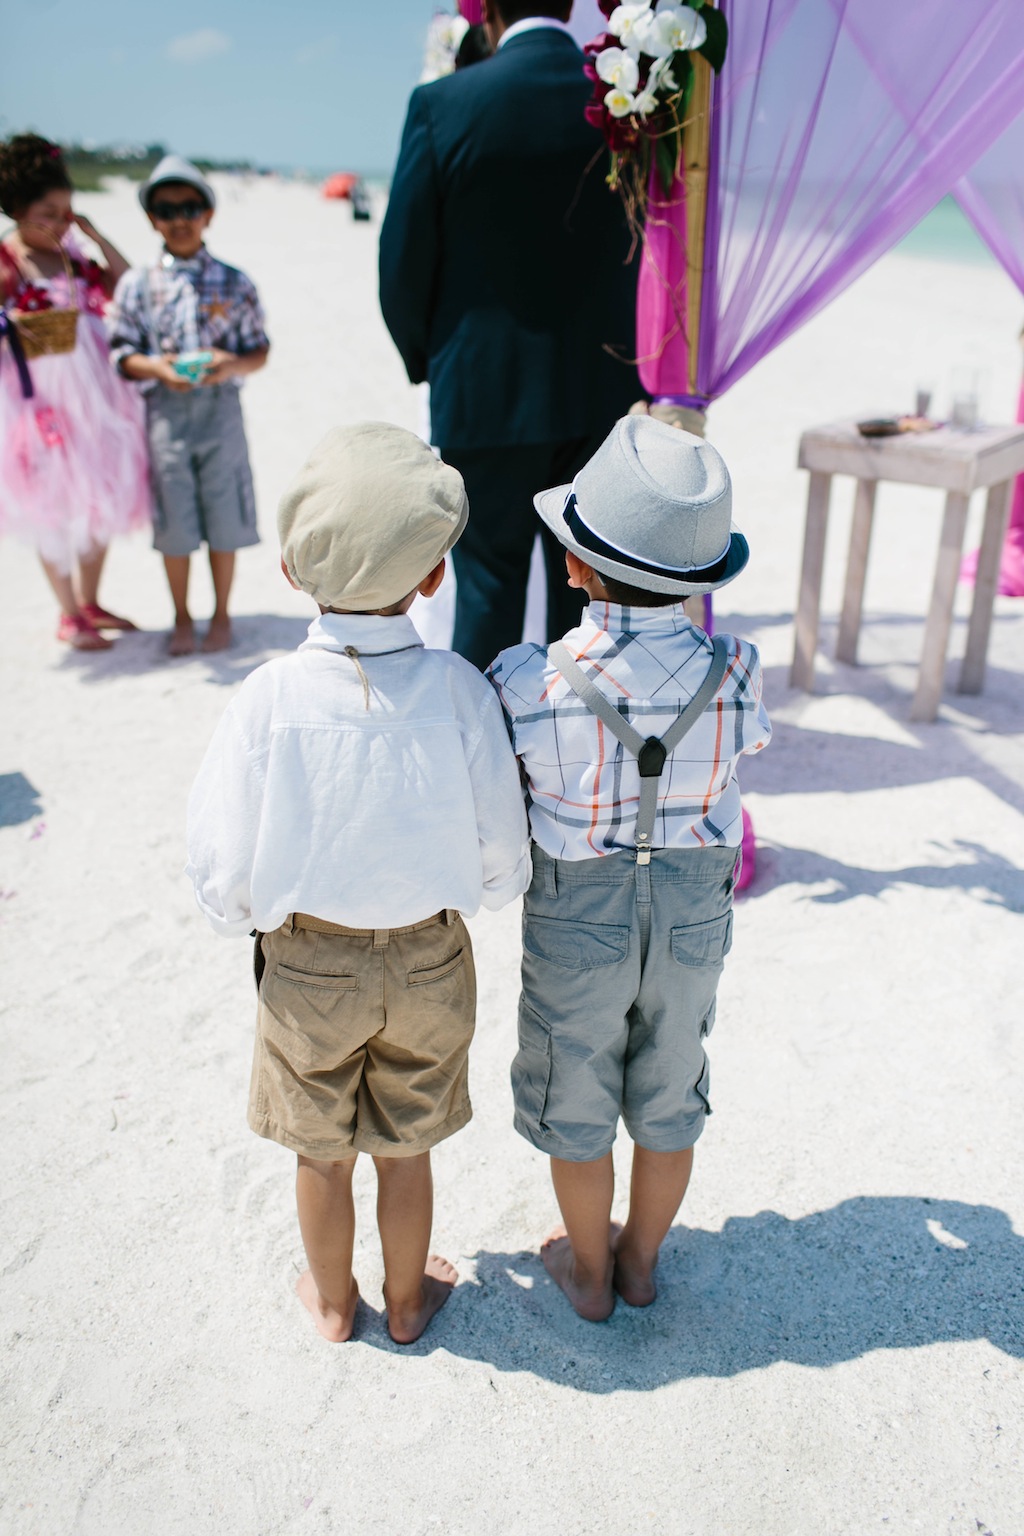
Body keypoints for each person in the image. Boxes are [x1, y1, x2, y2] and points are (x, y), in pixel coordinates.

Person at [186, 422, 530, 1344]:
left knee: (321, 1152)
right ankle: (411, 1302)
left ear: (294, 576)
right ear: (433, 578)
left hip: (307, 965)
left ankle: (336, 1305)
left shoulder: (266, 698)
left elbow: (221, 868)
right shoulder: (460, 690)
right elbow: (503, 851)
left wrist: (252, 913)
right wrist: (486, 888)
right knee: (406, 1150)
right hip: (427, 957)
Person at [487, 414, 771, 1321]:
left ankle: (590, 1271)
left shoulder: (530, 677)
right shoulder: (736, 669)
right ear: (700, 574)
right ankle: (642, 1261)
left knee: (576, 1090)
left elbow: (510, 792)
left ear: (574, 564)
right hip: (691, 915)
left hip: (580, 915)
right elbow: (745, 750)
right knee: (669, 1086)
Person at [380, 0, 639, 670]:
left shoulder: (443, 103)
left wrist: (430, 364)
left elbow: (403, 264)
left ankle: (487, 758)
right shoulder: (624, 100)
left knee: (488, 593)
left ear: (488, 9)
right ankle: (571, 752)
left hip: (481, 392)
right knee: (582, 593)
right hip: (597, 391)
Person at [107, 155, 269, 656]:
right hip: (166, 417)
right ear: (153, 217)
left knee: (224, 515)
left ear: (208, 214)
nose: (180, 218)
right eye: (167, 208)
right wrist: (161, 369)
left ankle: (220, 614)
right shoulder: (137, 283)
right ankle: (181, 616)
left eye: (191, 207)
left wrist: (227, 364)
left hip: (220, 410)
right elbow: (121, 352)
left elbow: (259, 350)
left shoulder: (234, 280)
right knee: (174, 520)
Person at [0, 134, 149, 651]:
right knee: (51, 503)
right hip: (40, 402)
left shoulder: (75, 255)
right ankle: (67, 612)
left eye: (69, 211)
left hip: (98, 398)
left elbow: (127, 283)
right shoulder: (8, 260)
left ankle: (90, 599)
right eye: (49, 212)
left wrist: (94, 232)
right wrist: (14, 323)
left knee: (101, 492)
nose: (62, 222)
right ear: (19, 211)